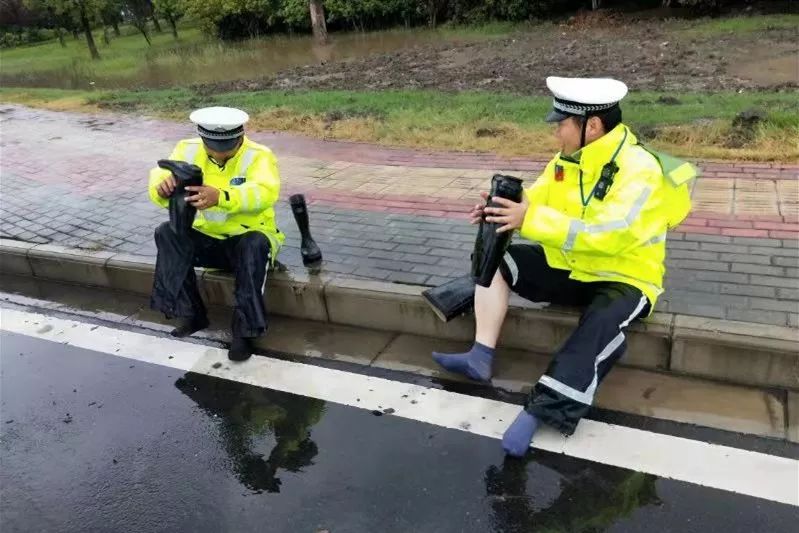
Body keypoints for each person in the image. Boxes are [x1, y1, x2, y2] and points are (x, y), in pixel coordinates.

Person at [431, 77, 695, 456]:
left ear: (592, 126)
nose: (555, 132)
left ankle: (543, 409)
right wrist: (503, 208)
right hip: (572, 267)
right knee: (499, 254)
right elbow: (537, 197)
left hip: (626, 278)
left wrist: (530, 219)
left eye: (561, 124)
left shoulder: (642, 170)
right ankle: (480, 356)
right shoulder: (567, 161)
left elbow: (615, 234)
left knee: (602, 323)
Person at [148, 107, 284, 361]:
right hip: (207, 238)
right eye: (212, 146)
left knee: (253, 246)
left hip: (248, 239)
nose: (219, 153)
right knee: (166, 232)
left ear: (240, 137)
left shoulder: (259, 156)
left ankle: (244, 332)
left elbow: (264, 193)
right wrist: (162, 188)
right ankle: (192, 314)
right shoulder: (186, 149)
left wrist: (222, 197)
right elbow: (162, 175)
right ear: (202, 138)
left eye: (227, 147)